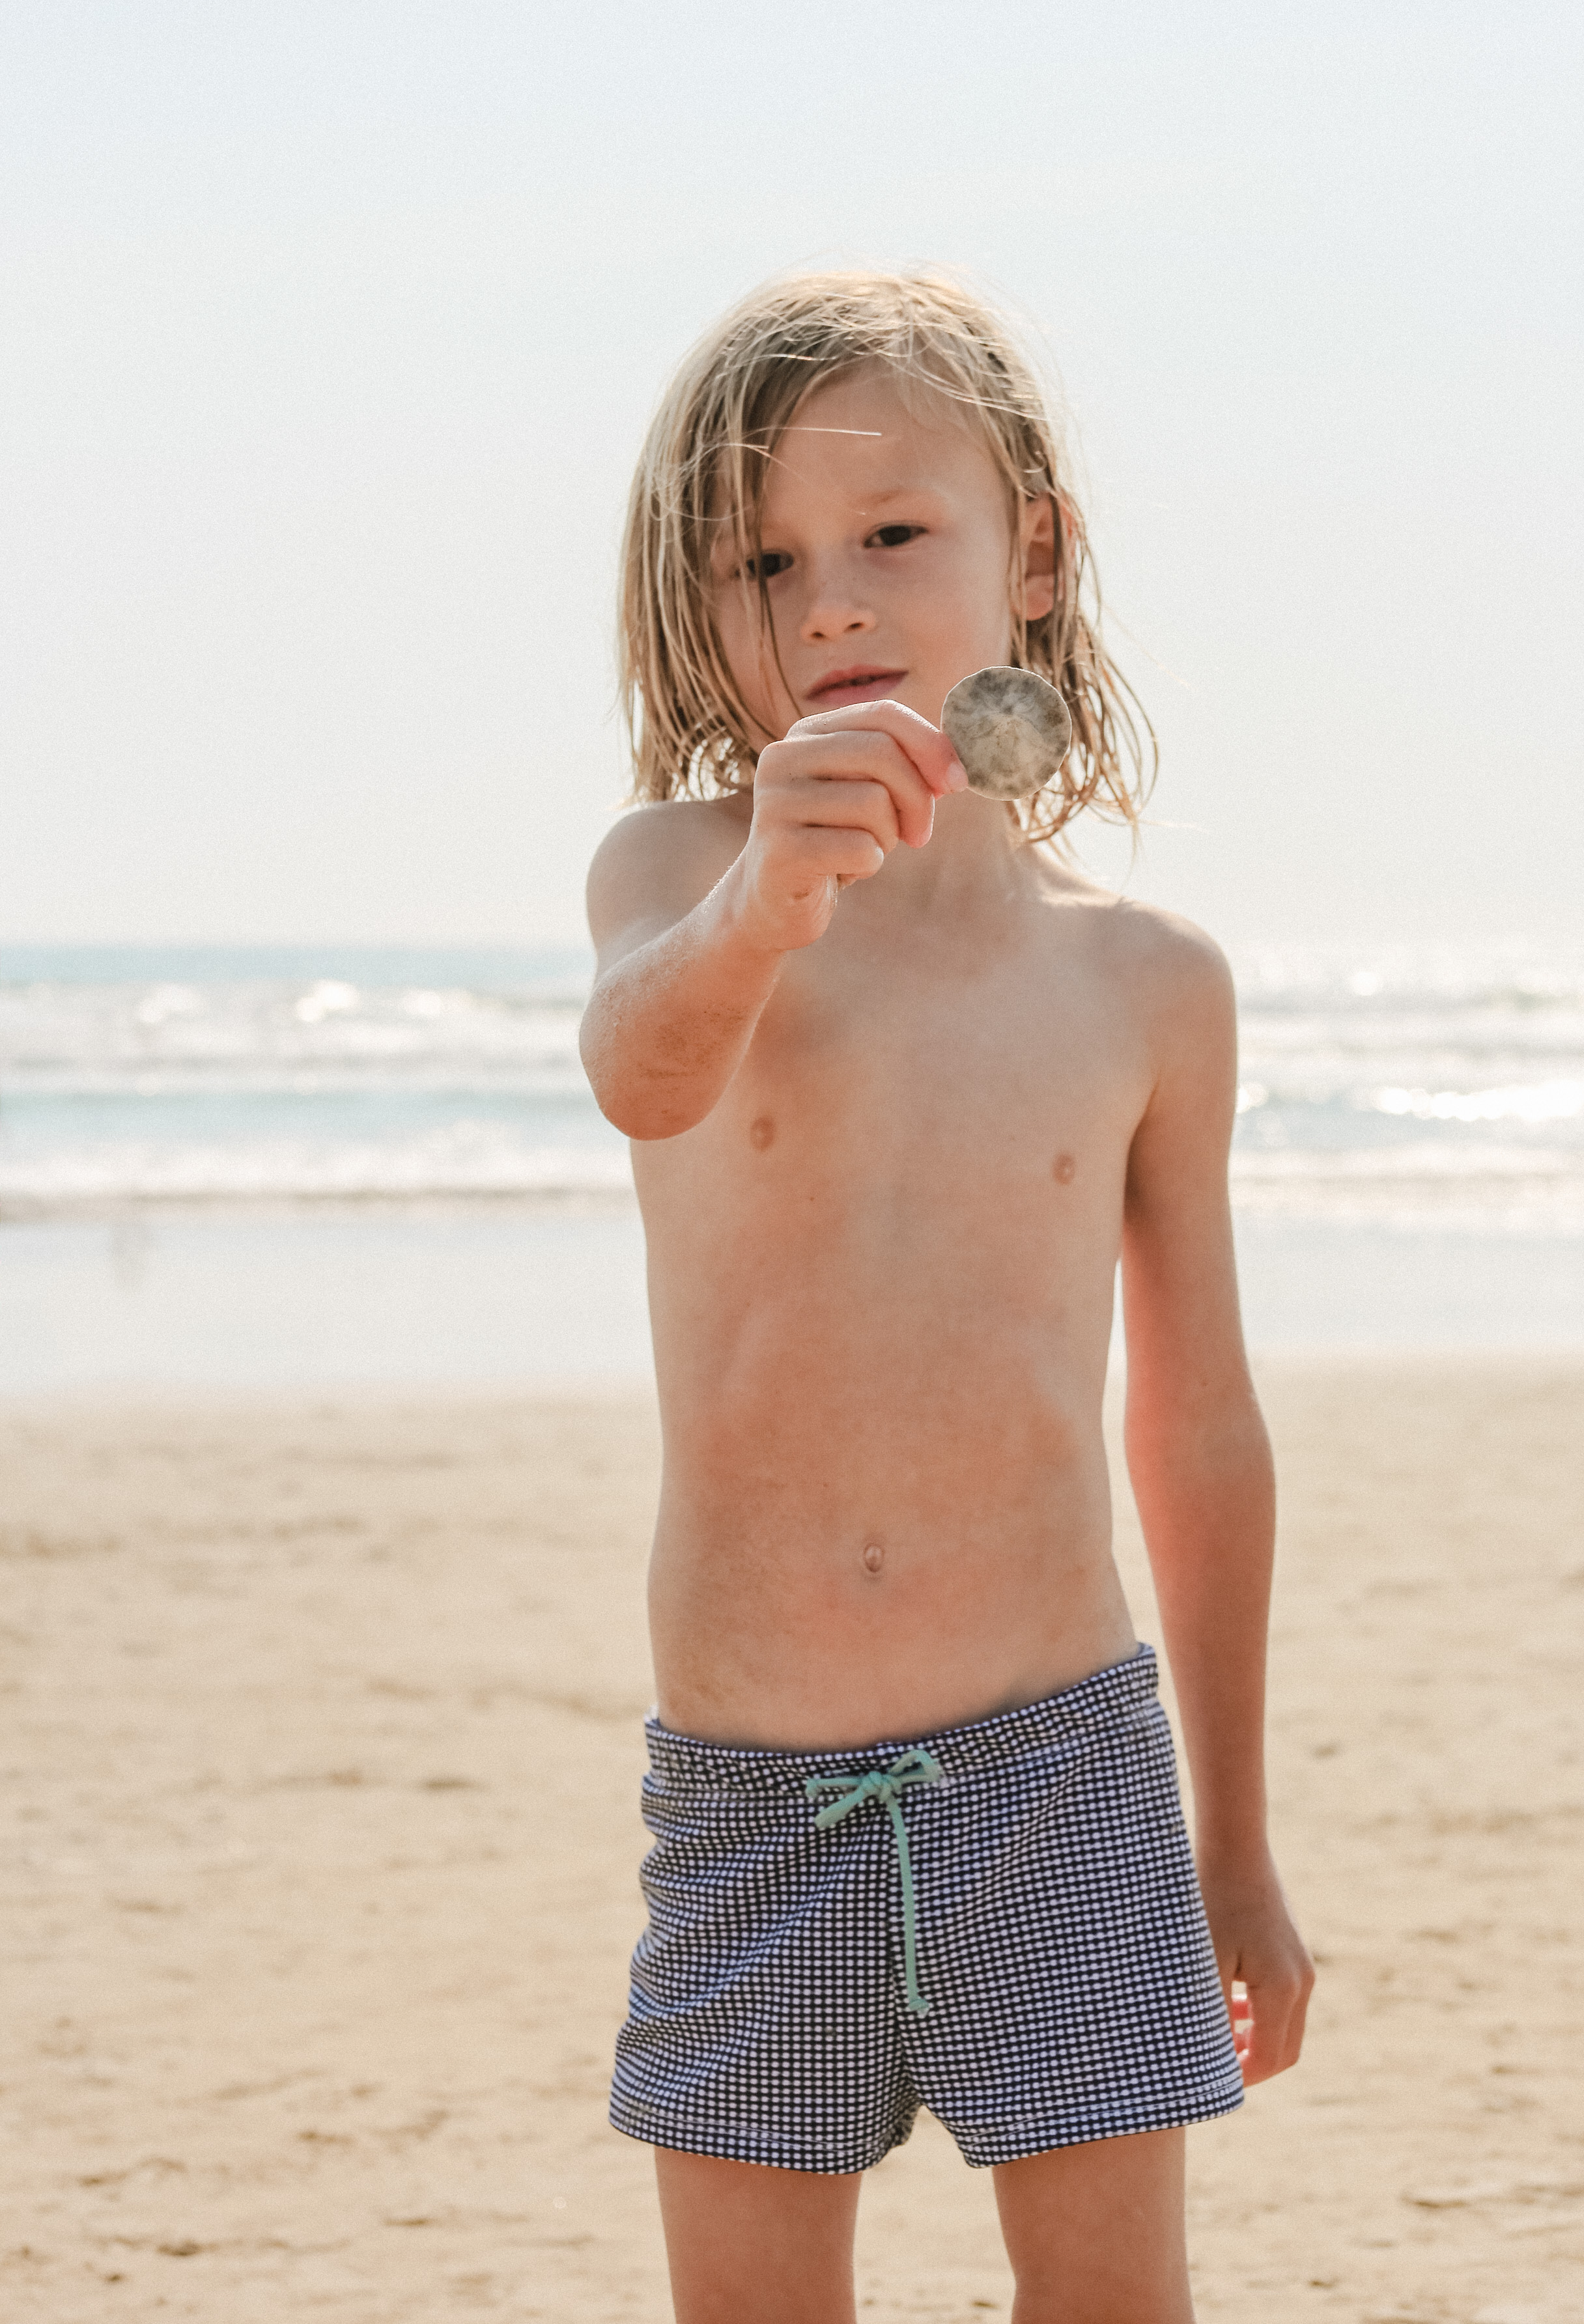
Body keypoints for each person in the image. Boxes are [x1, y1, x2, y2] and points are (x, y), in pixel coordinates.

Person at [579, 269, 1312, 2324]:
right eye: (766, 562)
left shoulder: (1142, 981)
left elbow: (1199, 1426)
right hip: (749, 1787)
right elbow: (641, 1065)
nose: (832, 602)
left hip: (1064, 1771)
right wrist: (763, 903)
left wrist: (1232, 1845)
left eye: (894, 535)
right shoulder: (674, 878)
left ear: (1036, 556)